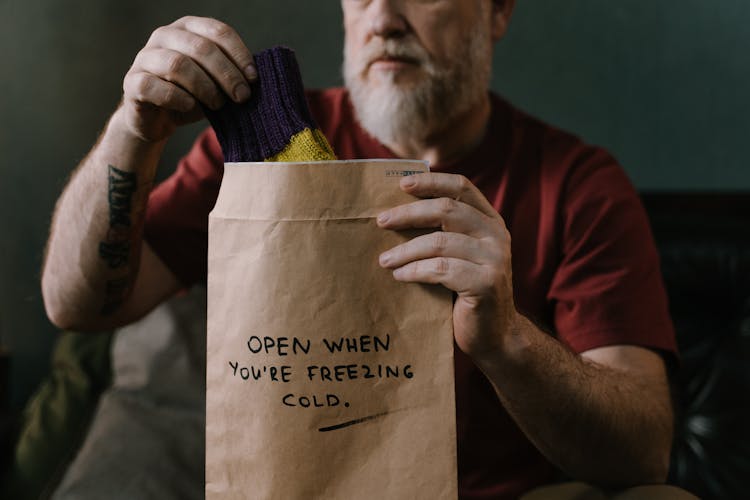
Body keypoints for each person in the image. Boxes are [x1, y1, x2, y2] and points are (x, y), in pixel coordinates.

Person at [41, 1, 682, 498]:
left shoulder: (578, 185)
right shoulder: (261, 145)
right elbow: (78, 306)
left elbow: (644, 452)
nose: (382, 18)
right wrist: (132, 130)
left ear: (498, 11)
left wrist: (506, 338)